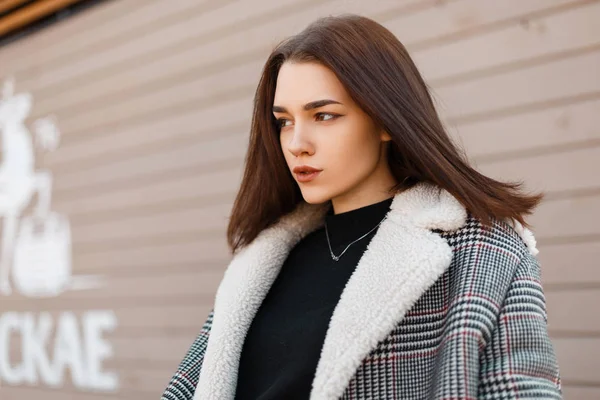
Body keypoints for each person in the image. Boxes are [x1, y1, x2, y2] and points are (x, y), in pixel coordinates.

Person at [161, 14, 561, 400]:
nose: (297, 142)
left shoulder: (482, 254)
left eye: (324, 115)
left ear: (386, 119)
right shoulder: (263, 260)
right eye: (283, 121)